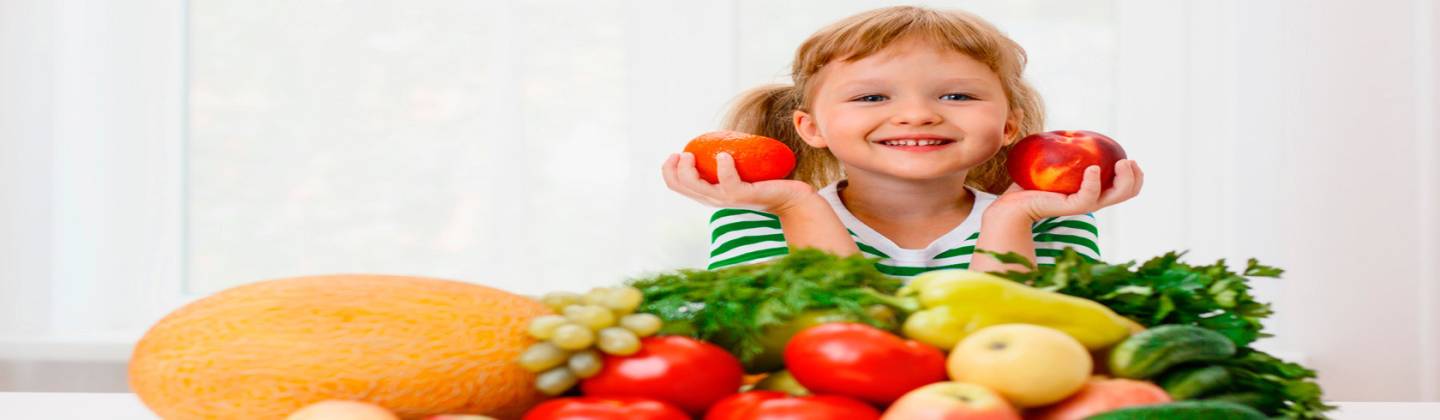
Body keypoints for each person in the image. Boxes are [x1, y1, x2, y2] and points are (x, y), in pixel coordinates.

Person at [660, 6, 1143, 278]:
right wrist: (794, 203)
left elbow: (1010, 347)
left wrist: (1010, 218)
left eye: (957, 95)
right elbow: (845, 340)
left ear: (1009, 127)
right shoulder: (758, 221)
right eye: (871, 96)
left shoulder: (1048, 223)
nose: (917, 115)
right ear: (812, 128)